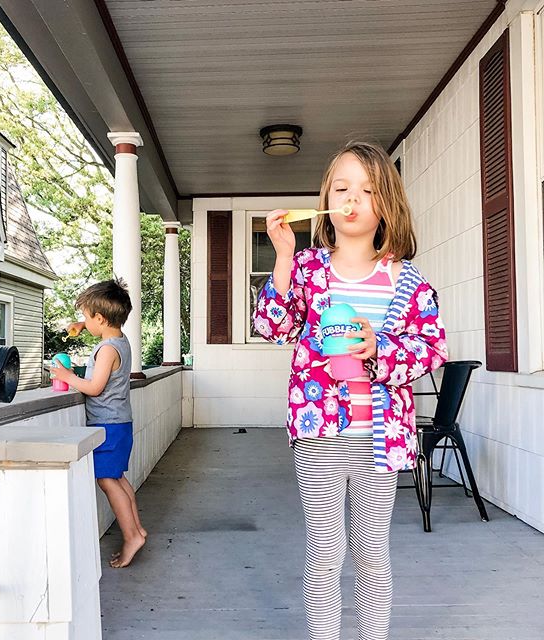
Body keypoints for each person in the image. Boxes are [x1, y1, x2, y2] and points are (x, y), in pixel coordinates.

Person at [253, 141, 448, 640]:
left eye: (367, 189)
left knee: (370, 549)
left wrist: (377, 349)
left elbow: (431, 347)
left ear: (387, 205)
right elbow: (273, 326)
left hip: (378, 437)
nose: (352, 198)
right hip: (318, 429)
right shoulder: (308, 269)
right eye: (341, 188)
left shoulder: (408, 281)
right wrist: (282, 257)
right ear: (326, 200)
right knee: (324, 544)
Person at [51, 279, 146, 568]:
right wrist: (83, 324)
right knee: (117, 478)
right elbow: (98, 328)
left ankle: (131, 536)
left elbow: (94, 387)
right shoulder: (119, 340)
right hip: (119, 423)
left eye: (88, 317)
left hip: (108, 425)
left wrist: (67, 377)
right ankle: (137, 530)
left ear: (101, 318)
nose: (84, 322)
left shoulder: (106, 350)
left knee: (107, 480)